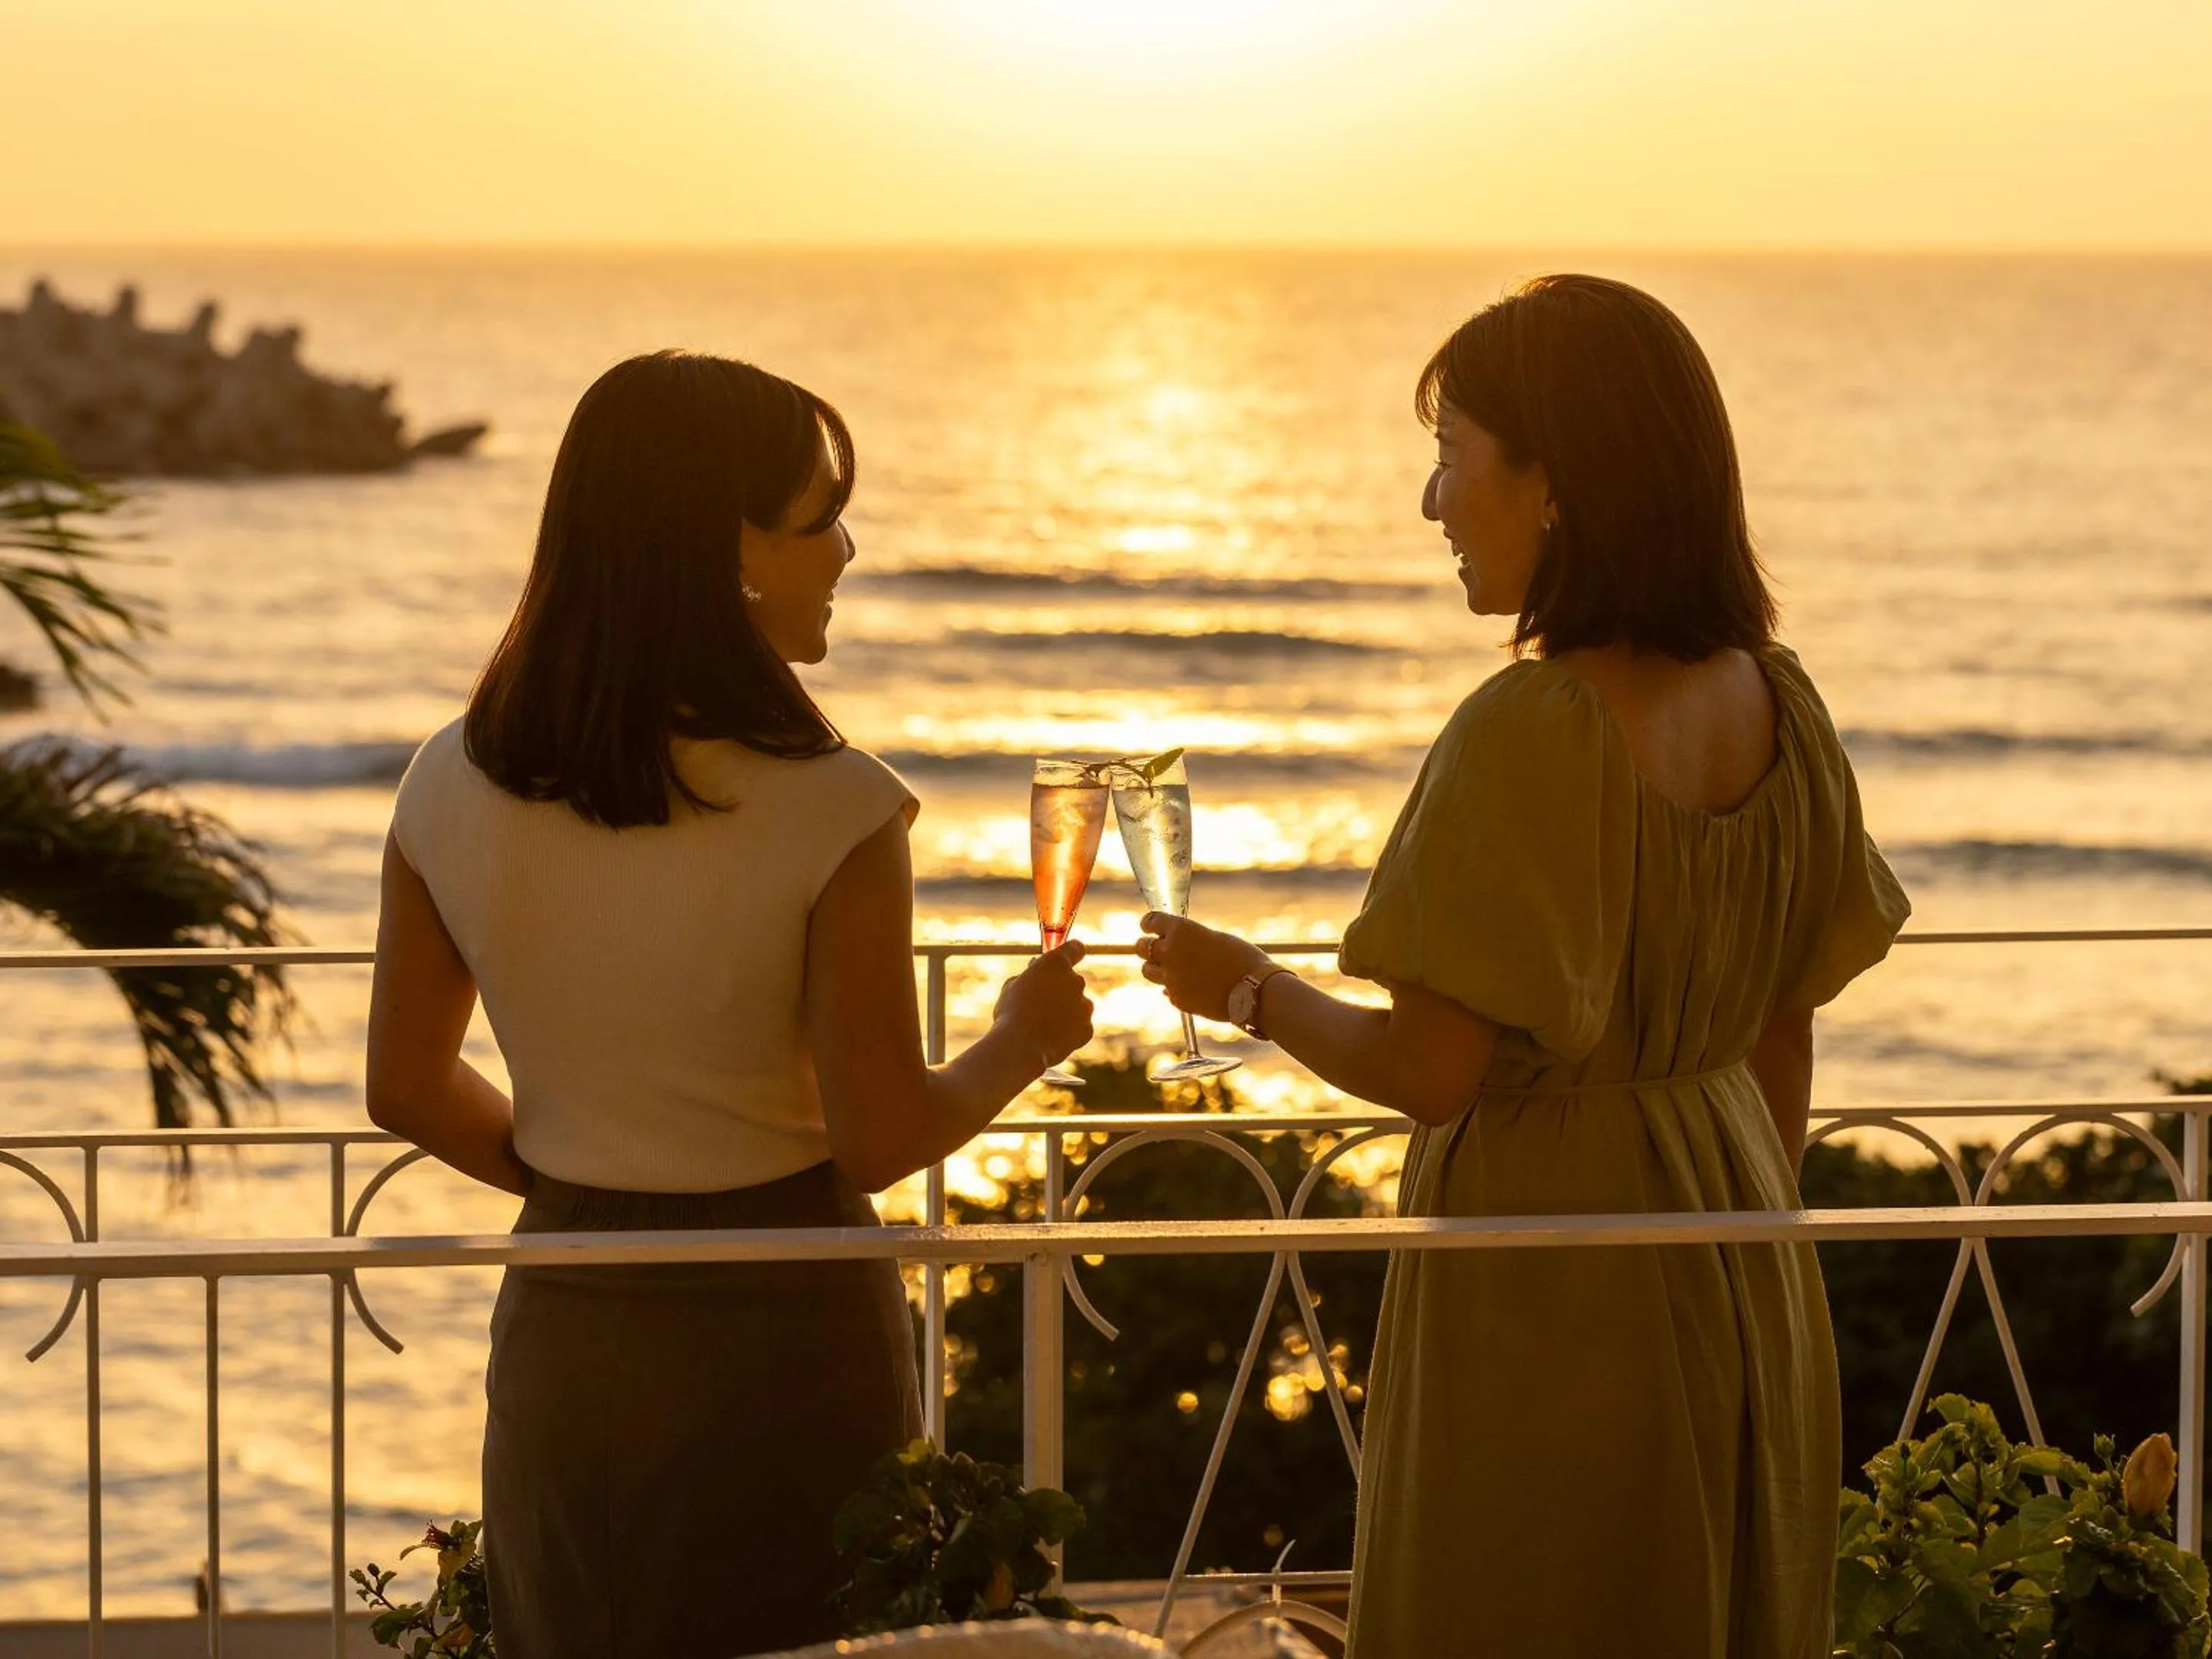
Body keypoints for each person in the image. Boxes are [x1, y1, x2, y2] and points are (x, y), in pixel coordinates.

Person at [1138, 276, 1909, 1657]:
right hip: (1738, 1241)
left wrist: (1246, 987)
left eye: (1451, 458)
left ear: (1554, 483)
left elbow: (1431, 1073)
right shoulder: (1778, 701)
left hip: (1550, 1272)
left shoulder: (1531, 726)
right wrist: (1736, 1238)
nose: (1433, 504)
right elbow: (1784, 1033)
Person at [364, 351, 1091, 1658]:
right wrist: (1022, 1040)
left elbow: (407, 1085)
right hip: (784, 1321)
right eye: (821, 522)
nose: (848, 550)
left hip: (569, 1326)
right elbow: (880, 1134)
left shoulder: (447, 779)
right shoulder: (837, 806)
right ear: (731, 549)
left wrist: (583, 1178)